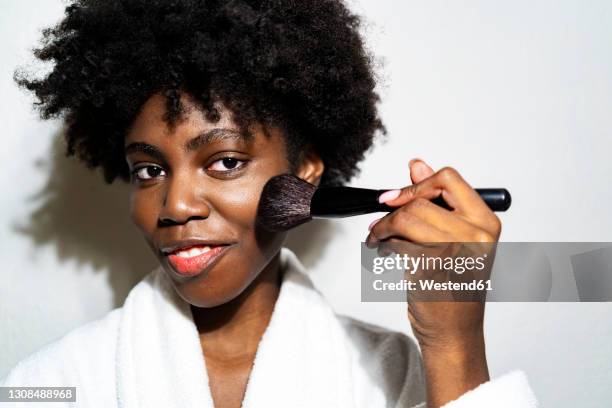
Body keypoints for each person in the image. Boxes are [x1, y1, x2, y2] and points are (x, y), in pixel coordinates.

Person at [2, 0, 537, 407]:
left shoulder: (399, 378)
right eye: (150, 170)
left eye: (225, 161)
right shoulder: (50, 383)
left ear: (304, 171)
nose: (176, 205)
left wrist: (455, 342)